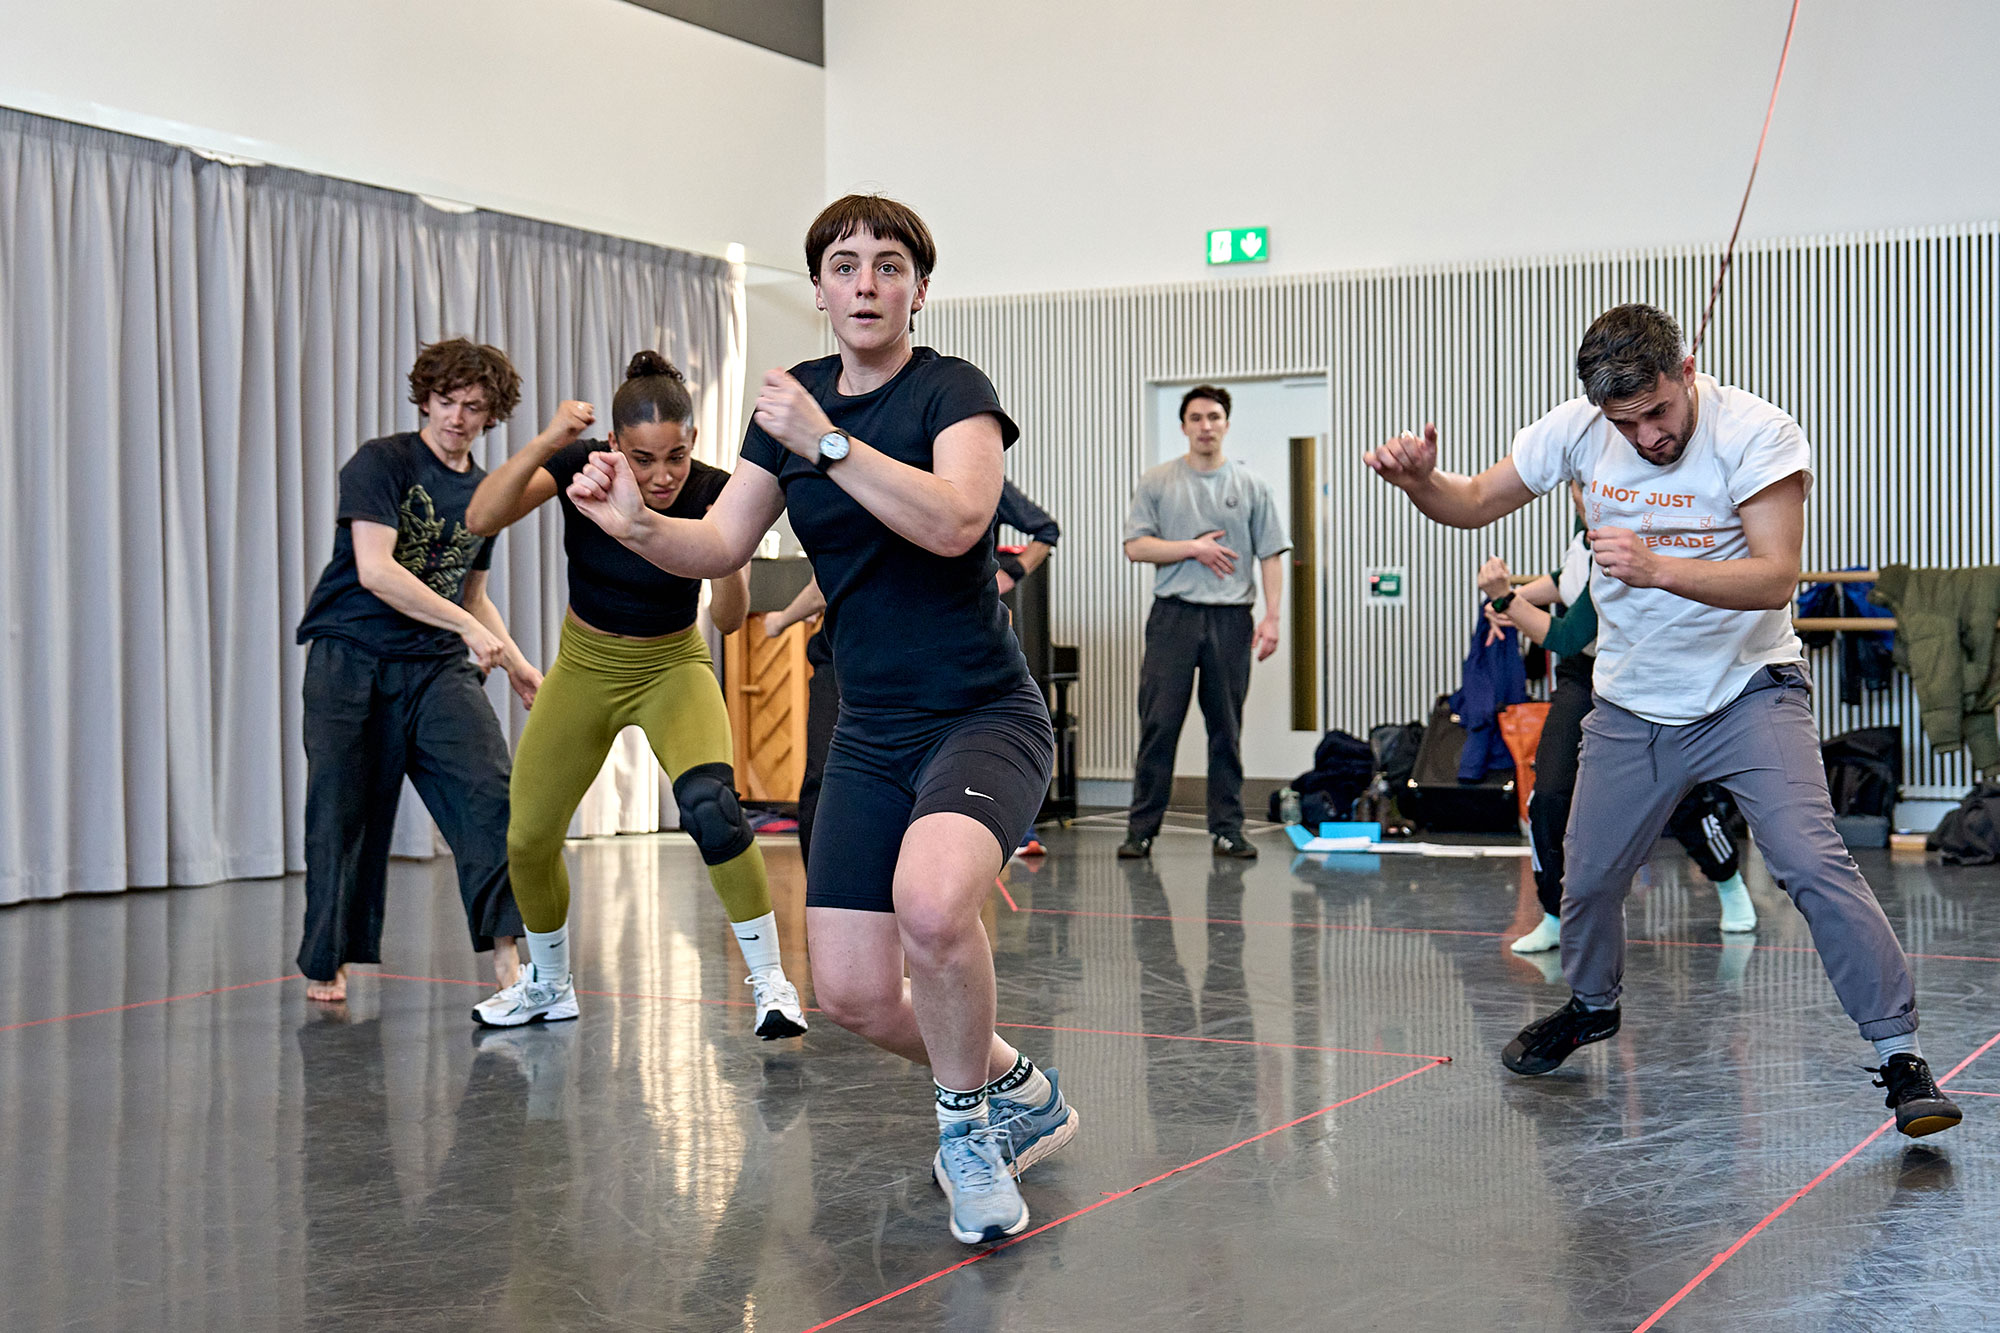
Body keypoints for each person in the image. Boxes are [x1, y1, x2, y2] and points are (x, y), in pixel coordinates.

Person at [566, 194, 1080, 1242]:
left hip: (980, 712)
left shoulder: (952, 391)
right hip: (871, 728)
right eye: (845, 265)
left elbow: (960, 521)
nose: (866, 282)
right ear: (818, 290)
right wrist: (635, 523)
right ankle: (1018, 1087)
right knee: (850, 992)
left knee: (931, 907)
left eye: (889, 265)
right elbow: (720, 545)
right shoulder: (790, 404)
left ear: (918, 291)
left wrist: (829, 442)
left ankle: (967, 1131)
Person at [1366, 303, 1961, 1138]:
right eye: (1626, 423)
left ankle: (1901, 1055)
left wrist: (1658, 567)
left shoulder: (1757, 433)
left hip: (1749, 690)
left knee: (1811, 861)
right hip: (1632, 702)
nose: (1647, 436)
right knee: (1586, 872)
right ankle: (1592, 1005)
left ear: (1686, 370)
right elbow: (1470, 501)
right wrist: (1421, 482)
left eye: (1658, 412)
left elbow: (1775, 576)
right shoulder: (1577, 430)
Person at [460, 351, 807, 1038]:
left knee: (712, 809)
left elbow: (730, 620)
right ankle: (549, 984)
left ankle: (773, 983)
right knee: (527, 837)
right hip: (584, 668)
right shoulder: (583, 467)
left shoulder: (714, 491)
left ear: (693, 441)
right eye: (643, 459)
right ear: (616, 445)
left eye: (676, 455)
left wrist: (725, 555)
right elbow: (480, 516)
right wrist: (551, 440)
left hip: (672, 667)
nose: (662, 475)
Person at [294, 337, 537, 1004]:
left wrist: (517, 664)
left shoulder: (485, 493)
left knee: (489, 794)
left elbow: (473, 596)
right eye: (446, 401)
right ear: (425, 399)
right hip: (351, 657)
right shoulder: (382, 462)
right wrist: (466, 628)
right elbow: (376, 570)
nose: (457, 417)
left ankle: (508, 957)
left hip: (433, 667)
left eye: (473, 406)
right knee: (341, 813)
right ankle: (329, 959)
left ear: (491, 415)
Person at [1479, 489, 1758, 955]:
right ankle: (1554, 914)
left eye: (1588, 486)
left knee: (1678, 793)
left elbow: (1568, 634)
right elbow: (1567, 579)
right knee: (1549, 794)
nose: (1583, 496)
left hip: (1640, 671)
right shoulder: (1583, 526)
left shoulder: (1625, 540)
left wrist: (1507, 599)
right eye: (1575, 486)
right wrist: (1519, 598)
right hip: (1582, 674)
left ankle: (1729, 882)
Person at [766, 478, 1063, 864]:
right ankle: (829, 891)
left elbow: (1045, 530)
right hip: (849, 659)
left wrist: (1010, 573)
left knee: (927, 789)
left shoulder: (964, 477)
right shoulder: (841, 477)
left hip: (939, 662)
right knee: (825, 786)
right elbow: (824, 581)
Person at [1119, 385, 1289, 861]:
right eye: (1196, 418)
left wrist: (1272, 618)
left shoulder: (1252, 486)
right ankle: (1141, 830)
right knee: (1159, 724)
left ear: (1226, 425)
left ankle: (1228, 829)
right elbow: (1136, 547)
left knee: (1225, 728)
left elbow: (1271, 554)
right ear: (1184, 427)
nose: (1205, 426)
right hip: (1172, 616)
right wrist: (1194, 548)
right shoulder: (1157, 482)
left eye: (1214, 417)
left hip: (1231, 619)